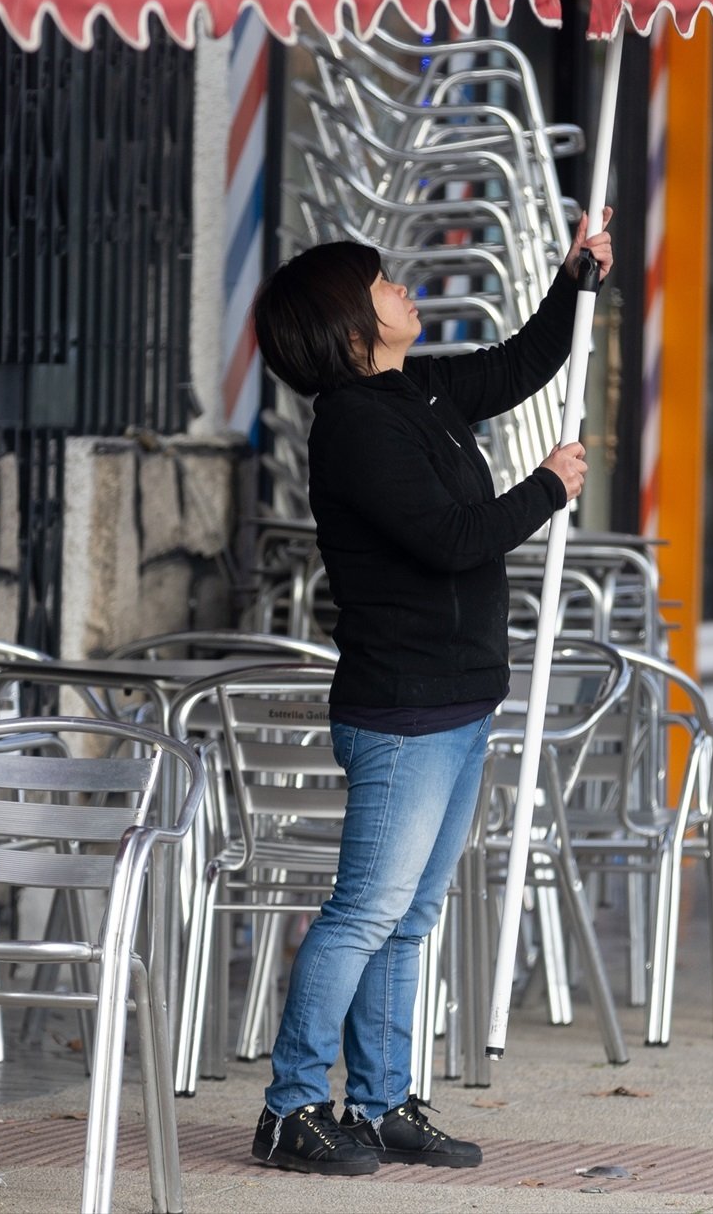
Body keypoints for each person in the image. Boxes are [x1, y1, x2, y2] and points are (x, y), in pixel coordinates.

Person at [247, 213, 613, 1176]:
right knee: (365, 912)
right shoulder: (356, 429)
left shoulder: (415, 390)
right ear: (346, 321)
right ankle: (291, 1109)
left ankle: (378, 1102)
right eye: (380, 282)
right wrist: (546, 487)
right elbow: (452, 538)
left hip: (458, 700)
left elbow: (520, 364)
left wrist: (573, 278)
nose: (400, 287)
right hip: (402, 711)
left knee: (409, 917)